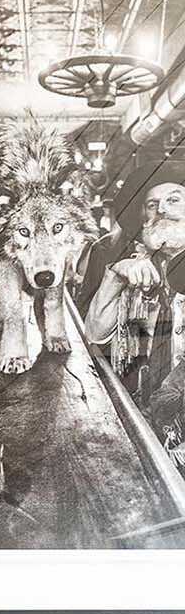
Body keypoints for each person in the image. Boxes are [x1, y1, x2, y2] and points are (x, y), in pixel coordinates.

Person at [84, 181, 185, 429]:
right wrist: (116, 275)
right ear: (144, 220)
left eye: (173, 200)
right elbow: (94, 335)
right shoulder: (136, 270)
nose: (161, 209)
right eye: (152, 204)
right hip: (141, 419)